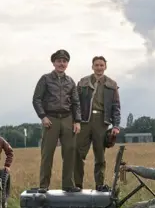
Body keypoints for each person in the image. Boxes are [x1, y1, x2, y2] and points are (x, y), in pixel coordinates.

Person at [32, 49, 82, 193]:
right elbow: (36, 99)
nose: (61, 64)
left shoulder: (70, 81)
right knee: (47, 153)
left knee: (70, 152)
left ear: (67, 64)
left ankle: (68, 185)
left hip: (67, 119)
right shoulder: (45, 79)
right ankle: (43, 185)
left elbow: (76, 103)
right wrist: (43, 116)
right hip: (51, 119)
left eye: (64, 61)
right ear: (54, 62)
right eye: (59, 61)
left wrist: (77, 121)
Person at [75, 56, 121, 191]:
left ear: (105, 67)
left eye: (101, 65)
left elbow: (116, 106)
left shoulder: (112, 84)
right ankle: (77, 185)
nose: (99, 67)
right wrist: (75, 120)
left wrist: (116, 125)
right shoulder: (83, 82)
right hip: (84, 121)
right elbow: (76, 103)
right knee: (78, 153)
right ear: (92, 66)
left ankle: (99, 184)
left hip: (102, 121)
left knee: (100, 155)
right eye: (96, 65)